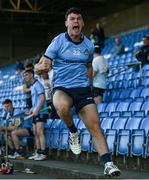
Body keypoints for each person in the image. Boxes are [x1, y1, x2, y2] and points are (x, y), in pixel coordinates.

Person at [37, 7, 121, 176]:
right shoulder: (58, 41)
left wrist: (89, 84)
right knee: (62, 107)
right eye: (72, 19)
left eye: (78, 19)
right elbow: (40, 66)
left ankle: (108, 164)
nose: (75, 21)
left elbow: (89, 66)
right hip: (63, 88)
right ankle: (73, 132)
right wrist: (41, 68)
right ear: (67, 23)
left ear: (82, 23)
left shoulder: (88, 45)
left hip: (82, 90)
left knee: (95, 127)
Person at [23, 69, 48, 161]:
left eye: (26, 75)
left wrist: (37, 109)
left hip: (41, 112)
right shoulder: (33, 86)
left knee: (40, 132)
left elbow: (42, 98)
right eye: (24, 75)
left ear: (31, 75)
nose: (24, 77)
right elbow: (36, 101)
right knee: (35, 133)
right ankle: (38, 153)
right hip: (35, 112)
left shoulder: (38, 84)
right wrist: (31, 110)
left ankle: (43, 154)